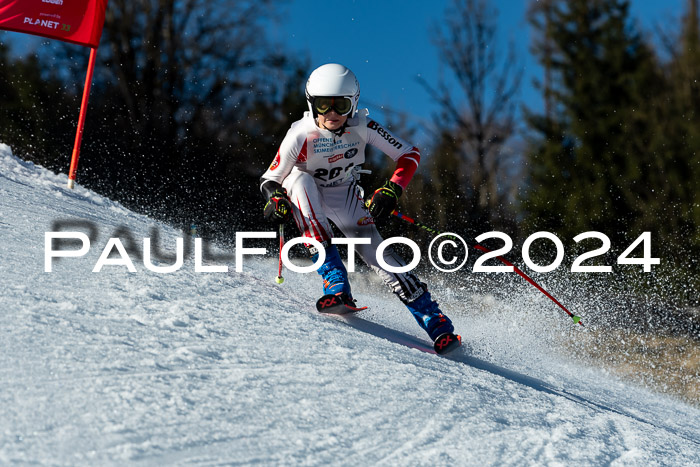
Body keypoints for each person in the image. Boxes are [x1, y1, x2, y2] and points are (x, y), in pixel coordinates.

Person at [259, 63, 458, 348]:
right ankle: (335, 281)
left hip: (345, 194)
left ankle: (436, 322)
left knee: (381, 257)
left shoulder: (363, 127)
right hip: (307, 193)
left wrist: (391, 189)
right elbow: (270, 179)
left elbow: (409, 154)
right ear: (311, 104)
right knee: (299, 179)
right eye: (324, 105)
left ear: (353, 103)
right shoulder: (300, 134)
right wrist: (275, 198)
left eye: (341, 105)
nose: (333, 114)